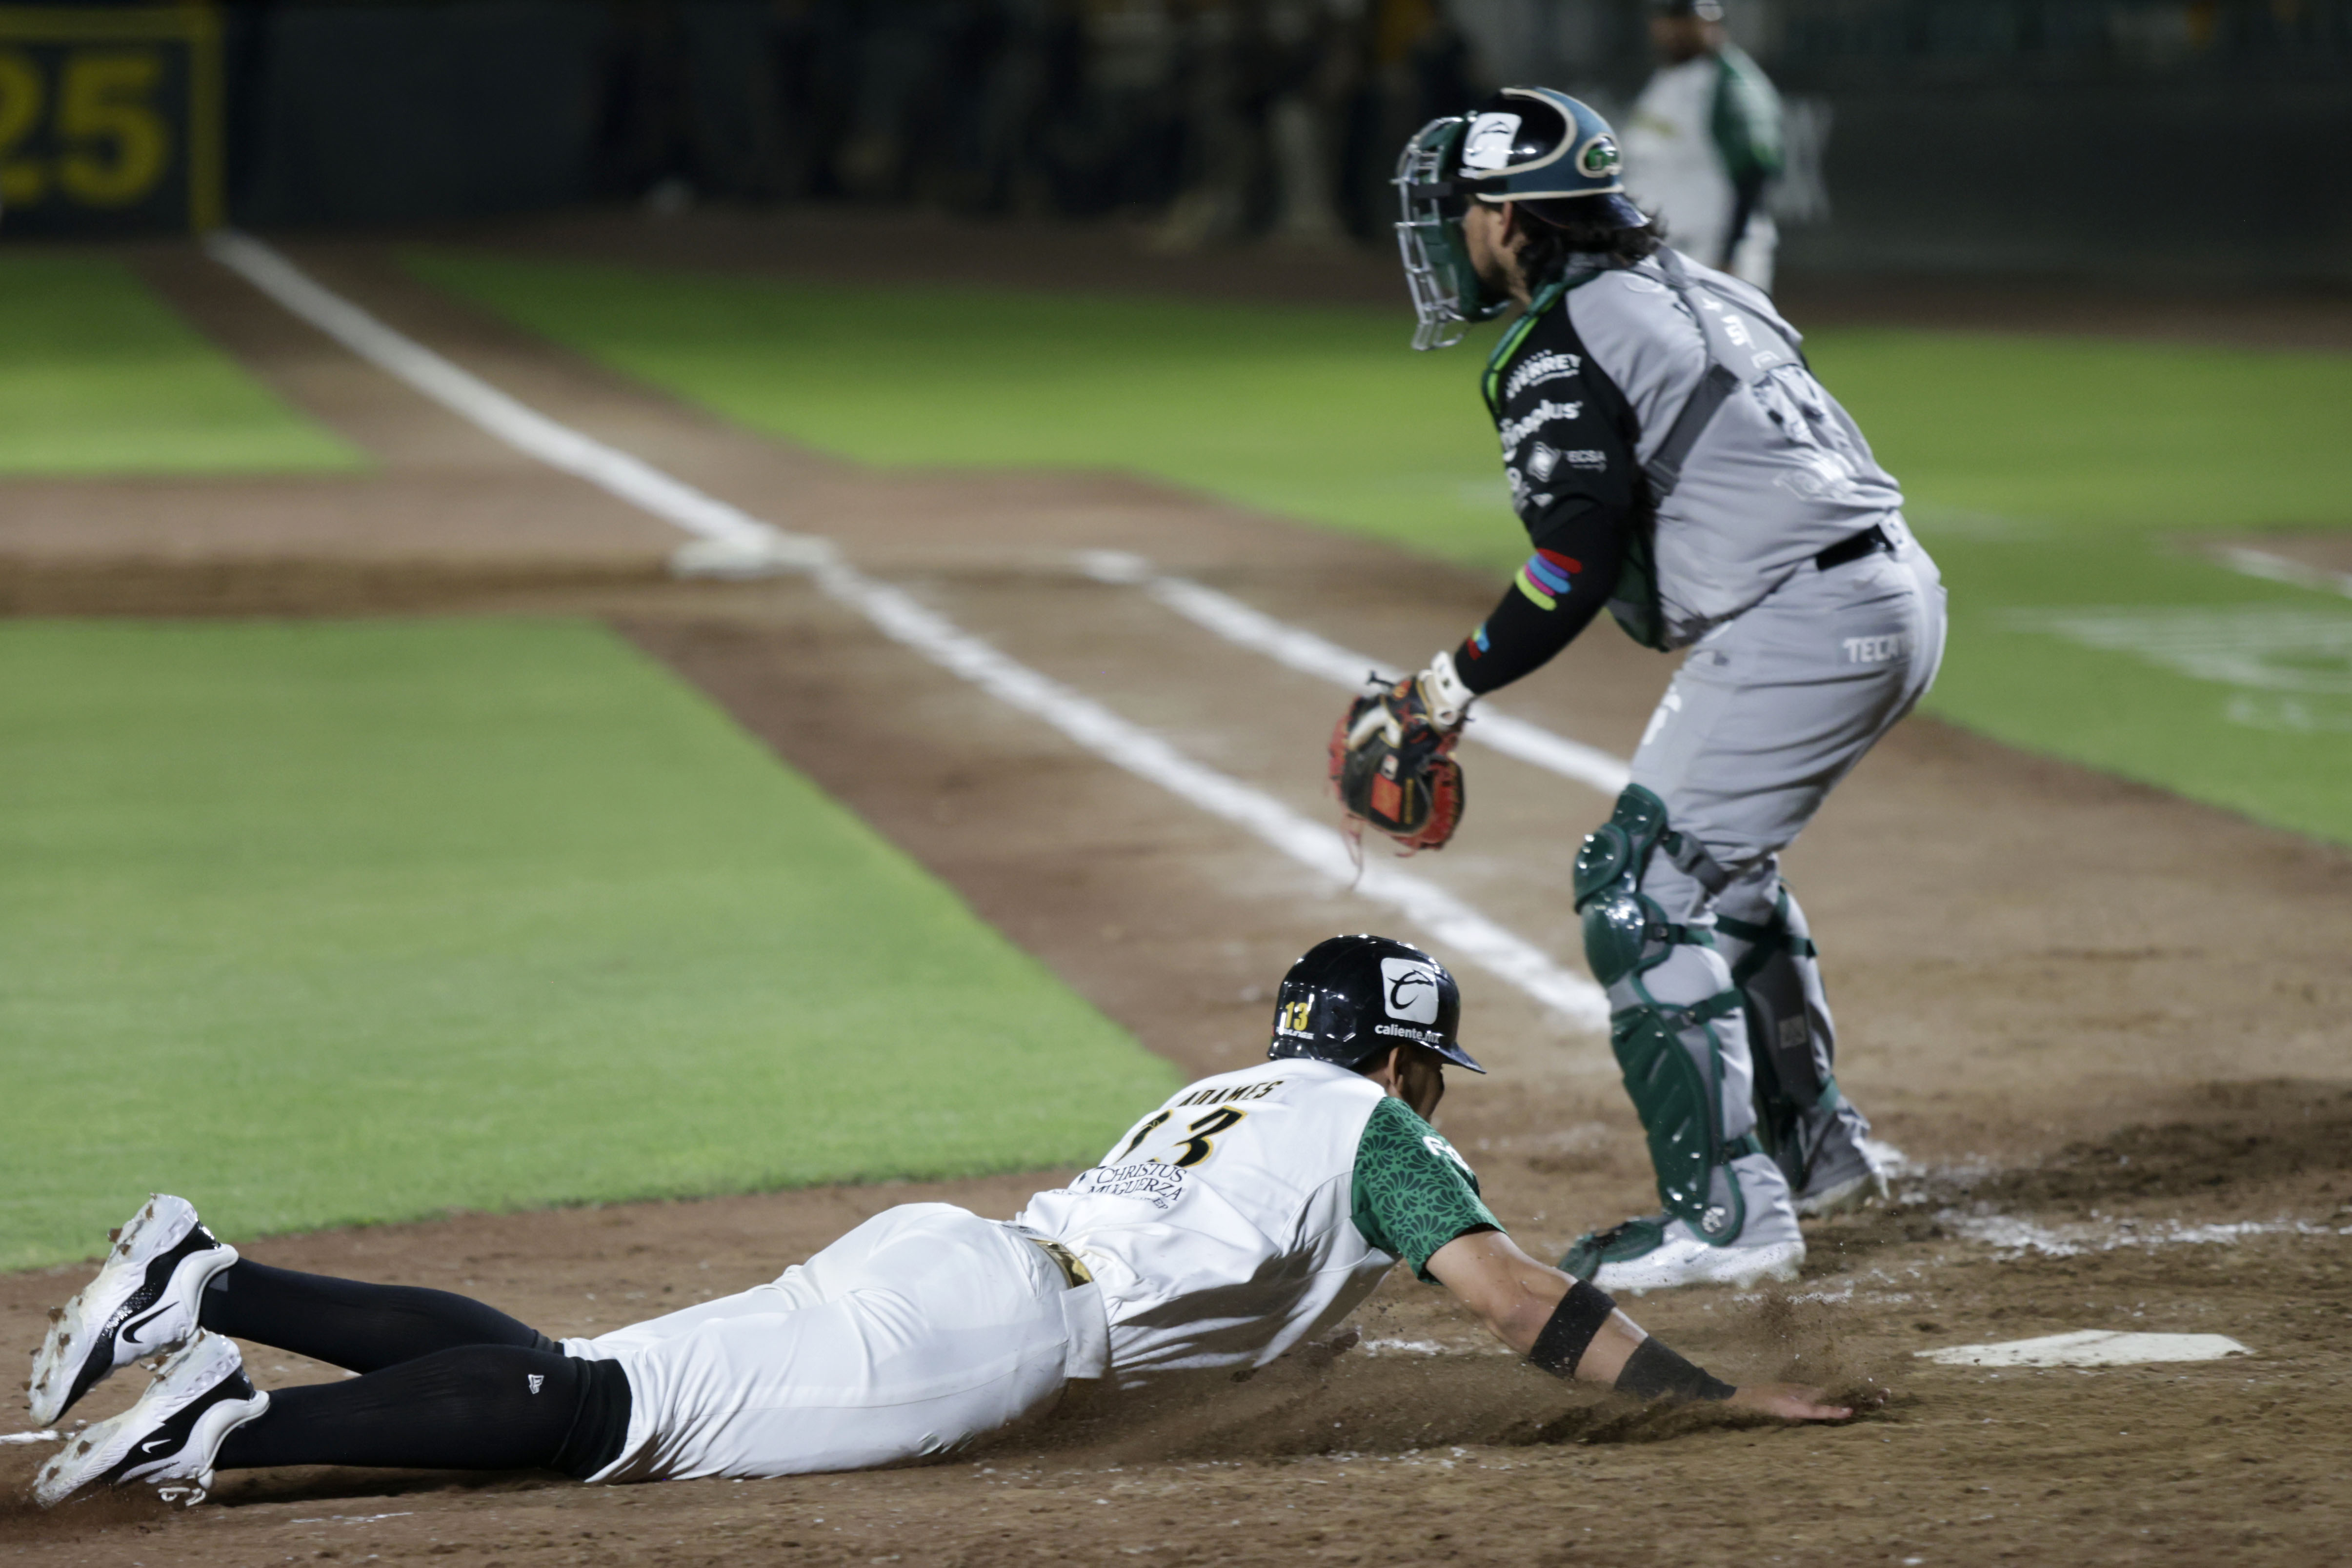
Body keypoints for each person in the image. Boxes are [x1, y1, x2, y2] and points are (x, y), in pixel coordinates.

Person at [30, 936, 1848, 1509]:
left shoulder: (1214, 1096)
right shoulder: (1373, 1128)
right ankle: (238, 1411)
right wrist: (1704, 1398)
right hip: (971, 1335)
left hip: (950, 1261)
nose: (1433, 1090)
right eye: (1424, 1064)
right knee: (598, 1418)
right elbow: (1518, 1299)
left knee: (594, 1375)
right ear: (1394, 1055)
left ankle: (217, 1281)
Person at [1382, 90, 1943, 1290]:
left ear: (1504, 214)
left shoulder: (1563, 335)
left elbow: (1570, 562)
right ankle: (1817, 1155)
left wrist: (1445, 689)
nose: (1446, 235)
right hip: (1884, 590)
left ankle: (1730, 1216)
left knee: (1635, 889)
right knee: (1714, 875)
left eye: (1456, 210)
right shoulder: (1704, 285)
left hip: (1804, 617)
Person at [1619, 0, 1784, 292]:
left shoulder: (1732, 85)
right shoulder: (1669, 77)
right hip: (1666, 247)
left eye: (1696, 23)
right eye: (1673, 22)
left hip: (1709, 249)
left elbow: (1753, 171)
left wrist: (1730, 254)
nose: (1677, 31)